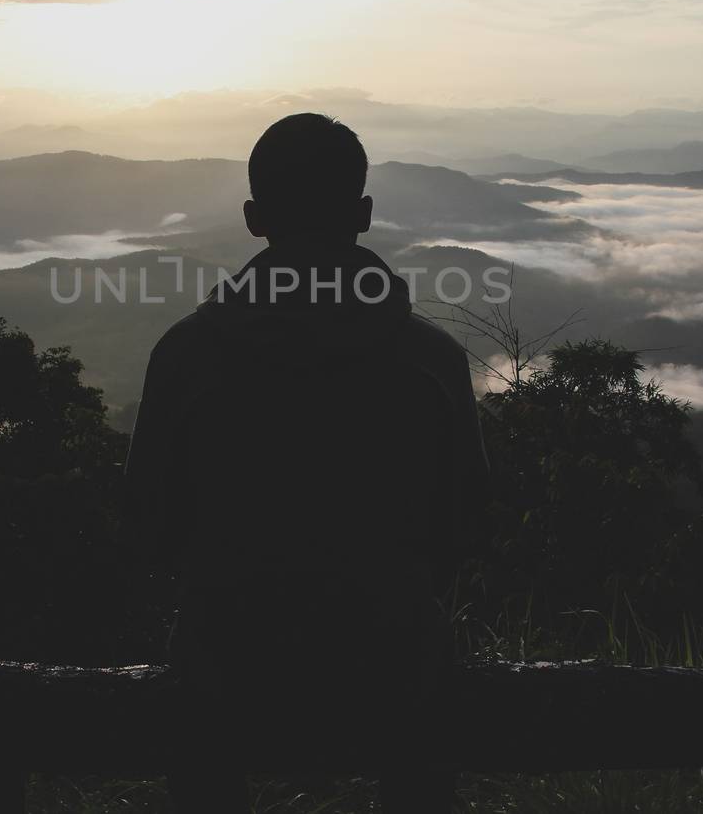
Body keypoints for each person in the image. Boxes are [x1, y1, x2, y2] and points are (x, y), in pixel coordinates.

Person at [124, 112, 490, 813]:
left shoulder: (186, 356)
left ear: (254, 218)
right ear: (364, 215)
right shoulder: (431, 363)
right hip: (396, 667)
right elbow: (467, 526)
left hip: (225, 665)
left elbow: (146, 527)